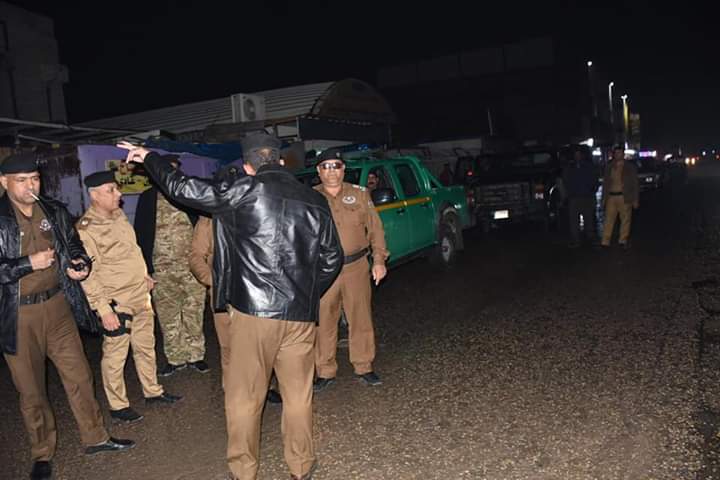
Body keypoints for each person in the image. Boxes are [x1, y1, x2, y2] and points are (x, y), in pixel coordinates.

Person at [118, 134, 343, 480]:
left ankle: (244, 470)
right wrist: (307, 294)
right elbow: (332, 258)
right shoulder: (314, 199)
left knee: (244, 397)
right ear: (281, 161)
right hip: (299, 315)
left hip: (253, 313)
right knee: (299, 396)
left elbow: (183, 188)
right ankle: (301, 466)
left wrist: (149, 157)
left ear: (248, 166)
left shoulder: (244, 190)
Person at [0, 153, 134, 480]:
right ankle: (42, 453)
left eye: (34, 179)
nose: (30, 186)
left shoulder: (53, 209)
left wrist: (79, 264)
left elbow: (73, 245)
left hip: (59, 306)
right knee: (31, 390)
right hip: (19, 314)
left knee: (80, 376)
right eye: (21, 180)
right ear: (4, 182)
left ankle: (96, 437)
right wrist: (27, 264)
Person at [76, 171, 182, 425]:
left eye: (116, 188)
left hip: (139, 294)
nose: (118, 194)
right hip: (117, 302)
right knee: (116, 356)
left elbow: (132, 251)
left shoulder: (119, 215)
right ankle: (118, 405)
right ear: (94, 195)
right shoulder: (86, 229)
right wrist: (104, 310)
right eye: (111, 190)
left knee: (146, 347)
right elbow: (88, 275)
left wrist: (144, 275)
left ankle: (153, 391)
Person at [188, 164, 282, 404]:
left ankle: (264, 388)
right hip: (225, 294)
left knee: (260, 346)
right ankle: (233, 392)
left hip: (256, 293)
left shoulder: (257, 210)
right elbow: (196, 256)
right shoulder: (209, 219)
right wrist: (214, 281)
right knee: (230, 347)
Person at [312, 148, 389, 392]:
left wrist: (379, 260)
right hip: (324, 270)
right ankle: (325, 370)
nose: (331, 171)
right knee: (324, 320)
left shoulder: (359, 194)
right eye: (326, 166)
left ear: (343, 169)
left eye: (336, 166)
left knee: (360, 317)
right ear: (318, 171)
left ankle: (364, 366)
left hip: (356, 267)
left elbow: (375, 229)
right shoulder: (310, 197)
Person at [134, 159, 208, 376]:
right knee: (168, 315)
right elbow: (141, 234)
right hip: (162, 270)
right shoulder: (147, 198)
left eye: (174, 171)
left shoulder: (189, 196)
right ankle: (175, 358)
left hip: (191, 269)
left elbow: (205, 228)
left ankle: (196, 356)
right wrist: (145, 269)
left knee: (194, 312)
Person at [600, 146, 639, 249]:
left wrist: (635, 199)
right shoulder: (609, 166)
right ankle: (605, 241)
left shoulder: (629, 167)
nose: (618, 155)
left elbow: (634, 183)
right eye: (616, 153)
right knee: (608, 219)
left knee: (625, 219)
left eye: (620, 153)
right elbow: (605, 183)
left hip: (624, 196)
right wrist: (604, 198)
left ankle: (623, 240)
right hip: (611, 196)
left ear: (623, 154)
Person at [562, 146, 599, 247]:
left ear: (582, 155)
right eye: (576, 154)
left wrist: (592, 191)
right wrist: (569, 194)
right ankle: (576, 240)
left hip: (586, 196)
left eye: (579, 154)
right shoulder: (569, 168)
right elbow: (565, 181)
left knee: (589, 219)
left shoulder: (588, 167)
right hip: (574, 197)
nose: (577, 156)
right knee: (574, 220)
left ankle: (590, 238)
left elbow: (595, 179)